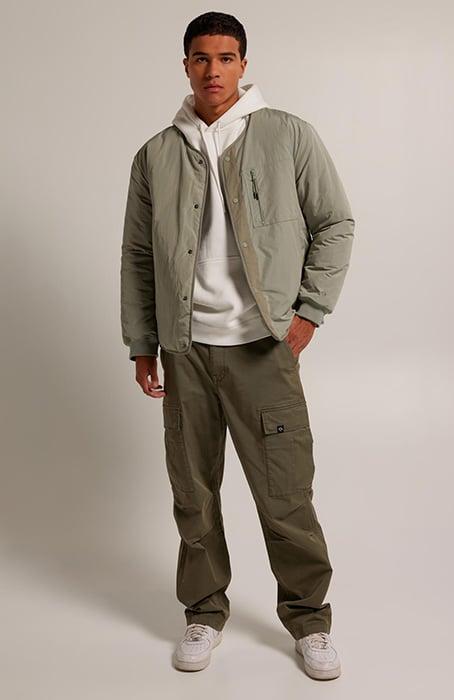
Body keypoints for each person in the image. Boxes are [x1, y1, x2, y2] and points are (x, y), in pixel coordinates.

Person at [120, 10, 355, 680]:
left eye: (226, 58)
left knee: (285, 496)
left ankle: (309, 622)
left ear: (243, 65)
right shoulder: (156, 154)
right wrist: (142, 342)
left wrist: (308, 313)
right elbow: (138, 255)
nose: (213, 70)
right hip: (185, 350)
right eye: (201, 57)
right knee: (193, 495)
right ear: (185, 65)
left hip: (262, 348)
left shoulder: (288, 135)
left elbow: (334, 223)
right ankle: (202, 611)